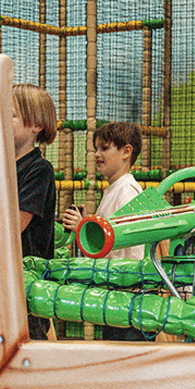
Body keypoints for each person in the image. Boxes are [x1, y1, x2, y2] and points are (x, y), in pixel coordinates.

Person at [62, 121, 150, 341]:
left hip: (128, 302)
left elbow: (127, 246)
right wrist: (86, 226)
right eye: (96, 149)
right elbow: (110, 237)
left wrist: (82, 229)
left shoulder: (127, 191)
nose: (97, 155)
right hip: (118, 300)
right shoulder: (115, 189)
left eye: (104, 148)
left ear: (126, 152)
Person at [12, 82, 58, 340]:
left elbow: (15, 224)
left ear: (36, 125)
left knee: (27, 341)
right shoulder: (2, 165)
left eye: (11, 115)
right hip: (4, 278)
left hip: (27, 280)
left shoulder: (38, 170)